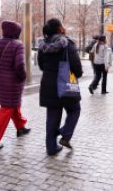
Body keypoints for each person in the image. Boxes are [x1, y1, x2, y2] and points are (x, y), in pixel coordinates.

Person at [38, 18, 83, 156]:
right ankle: (65, 133)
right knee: (75, 109)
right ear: (59, 28)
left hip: (48, 85)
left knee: (52, 116)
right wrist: (77, 74)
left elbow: (41, 66)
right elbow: (76, 67)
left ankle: (51, 148)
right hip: (65, 84)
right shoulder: (67, 44)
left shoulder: (42, 45)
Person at [0, 21, 30, 151]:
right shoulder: (18, 45)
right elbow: (19, 65)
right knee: (6, 108)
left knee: (13, 105)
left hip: (1, 80)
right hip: (14, 82)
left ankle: (20, 127)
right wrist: (23, 76)